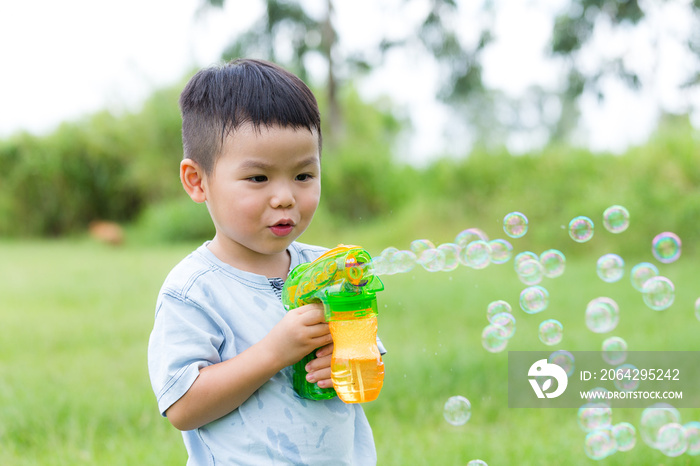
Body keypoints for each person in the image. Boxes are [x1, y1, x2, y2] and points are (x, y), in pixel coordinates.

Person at [147, 58, 378, 465]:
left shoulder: (330, 269)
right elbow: (182, 406)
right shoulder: (194, 288)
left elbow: (368, 358)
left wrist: (349, 357)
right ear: (197, 181)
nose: (285, 196)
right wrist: (274, 351)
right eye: (259, 178)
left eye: (304, 175)